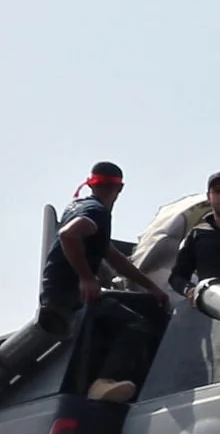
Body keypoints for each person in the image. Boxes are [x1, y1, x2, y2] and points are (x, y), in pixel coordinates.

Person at [39, 161, 168, 403]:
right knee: (137, 325)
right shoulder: (95, 210)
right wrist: (87, 278)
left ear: (90, 183)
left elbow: (114, 258)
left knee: (132, 307)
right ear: (120, 188)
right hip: (68, 296)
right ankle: (104, 382)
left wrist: (151, 287)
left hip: (57, 293)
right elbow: (69, 235)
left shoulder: (80, 206)